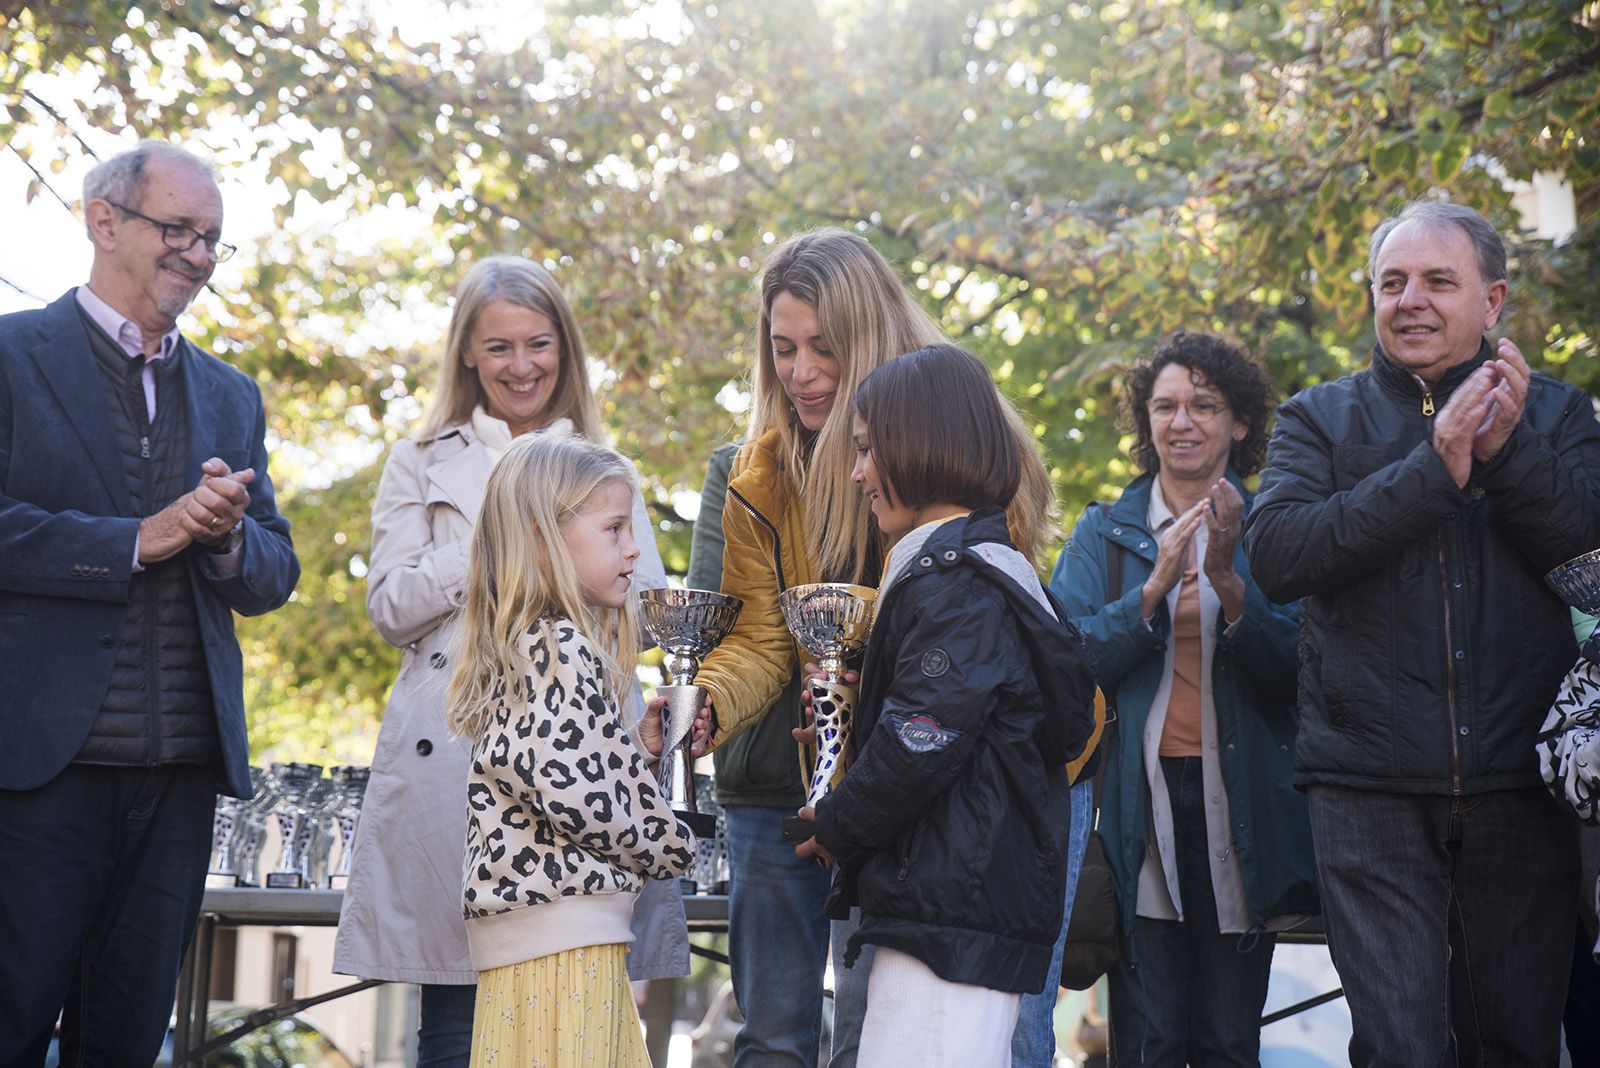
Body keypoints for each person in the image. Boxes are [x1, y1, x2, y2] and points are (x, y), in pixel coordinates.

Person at [1244, 200, 1600, 1065]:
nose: (1412, 300)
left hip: (1523, 778)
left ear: (1494, 300)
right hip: (1367, 785)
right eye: (1392, 283)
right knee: (1399, 1047)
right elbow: (1280, 556)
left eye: (1440, 281)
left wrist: (1509, 454)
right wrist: (1430, 468)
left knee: (1514, 1042)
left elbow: (1591, 563)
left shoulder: (1558, 416)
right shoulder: (1316, 419)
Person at [690, 227, 1056, 1067]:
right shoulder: (749, 472)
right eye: (782, 349)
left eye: (825, 347)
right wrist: (704, 700)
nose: (801, 371)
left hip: (911, 800)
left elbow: (979, 634)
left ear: (872, 338)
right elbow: (752, 636)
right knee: (772, 1041)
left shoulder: (963, 440)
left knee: (877, 1037)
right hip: (774, 798)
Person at [331, 255, 675, 1064]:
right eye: (499, 349)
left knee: (575, 1008)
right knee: (455, 1018)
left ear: (566, 349)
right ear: (467, 356)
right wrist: (501, 528)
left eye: (539, 343)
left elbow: (650, 609)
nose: (521, 366)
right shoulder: (419, 461)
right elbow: (390, 606)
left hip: (577, 761)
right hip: (453, 757)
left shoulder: (604, 462)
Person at [0, 140, 300, 1065]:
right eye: (179, 230)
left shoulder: (228, 393)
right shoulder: (12, 357)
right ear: (103, 222)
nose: (199, 256)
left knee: (127, 1044)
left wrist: (222, 537)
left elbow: (273, 571)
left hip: (177, 779)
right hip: (36, 777)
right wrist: (139, 538)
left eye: (213, 240)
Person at [795, 343, 1097, 1065]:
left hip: (950, 913)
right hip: (957, 910)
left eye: (869, 450)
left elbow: (922, 736)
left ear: (922, 445)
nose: (856, 472)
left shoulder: (954, 584)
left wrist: (837, 821)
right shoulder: (977, 571)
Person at [1052, 330, 1317, 1065]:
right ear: (1147, 424)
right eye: (1165, 406)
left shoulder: (1277, 530)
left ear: (1239, 422)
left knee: (1230, 1040)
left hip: (1247, 806)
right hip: (1136, 808)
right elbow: (1063, 666)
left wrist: (1234, 594)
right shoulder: (1104, 532)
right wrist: (1151, 593)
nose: (1182, 421)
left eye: (1204, 404)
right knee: (1151, 1039)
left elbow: (1304, 673)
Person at [446, 433, 698, 1067]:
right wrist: (672, 841)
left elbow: (558, 775)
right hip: (564, 944)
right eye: (614, 528)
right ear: (543, 536)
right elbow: (581, 797)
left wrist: (629, 758)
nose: (634, 547)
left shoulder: (526, 643)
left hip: (542, 942)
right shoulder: (559, 647)